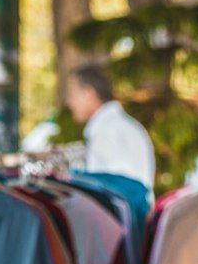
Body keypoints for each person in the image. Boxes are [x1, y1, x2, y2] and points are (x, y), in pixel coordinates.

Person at [65, 63, 155, 193]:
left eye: (73, 94)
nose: (69, 102)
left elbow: (104, 193)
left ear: (89, 93)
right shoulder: (126, 125)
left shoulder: (106, 131)